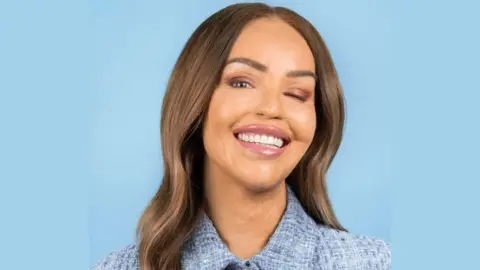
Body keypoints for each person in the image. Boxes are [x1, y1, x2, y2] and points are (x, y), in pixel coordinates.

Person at [93, 3, 391, 270]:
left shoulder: (374, 263)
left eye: (297, 93)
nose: (272, 108)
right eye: (242, 83)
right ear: (195, 102)